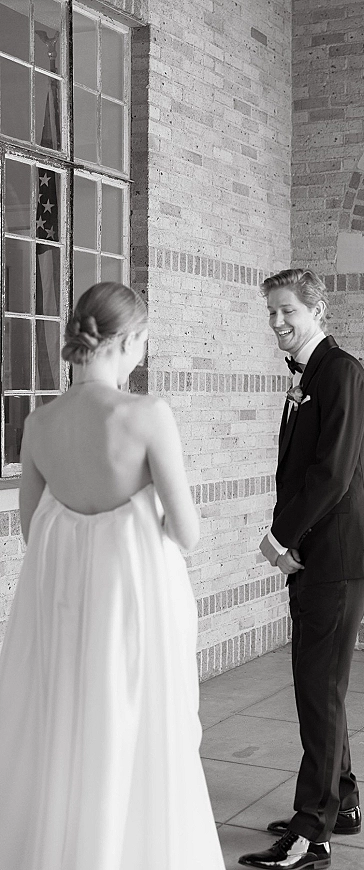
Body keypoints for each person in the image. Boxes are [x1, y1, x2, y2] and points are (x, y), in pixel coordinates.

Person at [0, 283, 225, 870]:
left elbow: (32, 528)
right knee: (141, 735)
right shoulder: (146, 415)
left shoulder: (39, 424)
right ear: (126, 341)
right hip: (135, 612)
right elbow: (187, 531)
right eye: (143, 344)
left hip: (66, 614)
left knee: (66, 733)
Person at [238, 269, 364, 870]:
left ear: (317, 309)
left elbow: (332, 472)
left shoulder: (342, 371)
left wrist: (278, 539)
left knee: (317, 692)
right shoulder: (307, 376)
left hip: (335, 554)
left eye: (287, 312)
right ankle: (343, 802)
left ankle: (312, 833)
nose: (277, 323)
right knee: (321, 688)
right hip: (318, 556)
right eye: (271, 313)